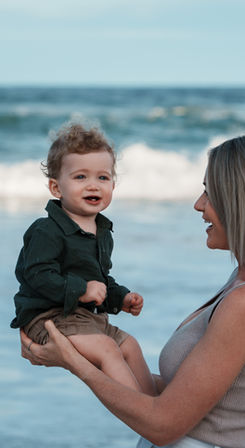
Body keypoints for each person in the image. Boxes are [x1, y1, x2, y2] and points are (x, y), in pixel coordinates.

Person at [20, 129, 245, 448]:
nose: (199, 204)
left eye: (210, 192)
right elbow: (183, 396)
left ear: (244, 203)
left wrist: (76, 363)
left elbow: (162, 425)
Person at [12, 123, 156, 395]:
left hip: (85, 318)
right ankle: (141, 411)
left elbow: (100, 281)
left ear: (113, 183)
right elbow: (37, 275)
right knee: (107, 349)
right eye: (80, 177)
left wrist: (121, 297)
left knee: (130, 346)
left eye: (103, 177)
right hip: (49, 318)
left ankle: (157, 406)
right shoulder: (46, 230)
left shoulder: (101, 231)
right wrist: (82, 290)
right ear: (56, 187)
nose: (93, 185)